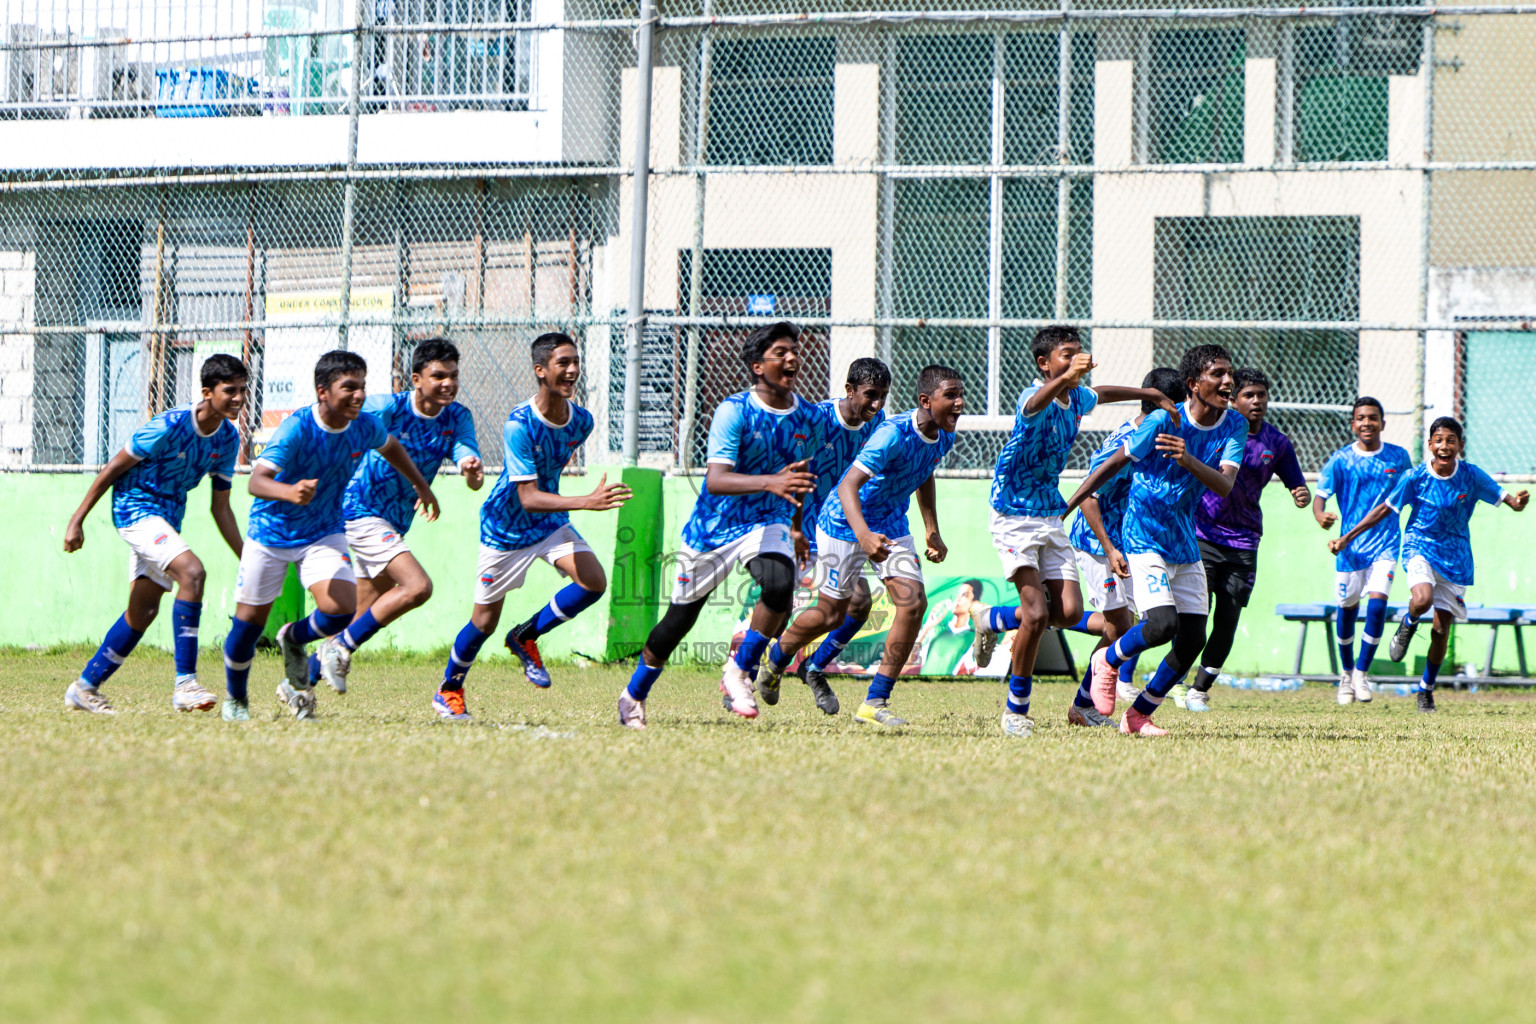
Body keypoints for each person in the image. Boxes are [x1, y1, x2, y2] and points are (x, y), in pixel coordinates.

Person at [617, 321, 822, 730]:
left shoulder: (808, 416)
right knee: (677, 623)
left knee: (780, 586)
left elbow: (798, 476)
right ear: (757, 365)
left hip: (768, 522)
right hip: (714, 528)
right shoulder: (734, 411)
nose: (792, 358)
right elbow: (716, 479)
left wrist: (797, 527)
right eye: (780, 351)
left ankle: (738, 670)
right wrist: (770, 481)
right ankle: (633, 694)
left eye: (794, 350)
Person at [983, 325, 1181, 739]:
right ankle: (1016, 710)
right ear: (1045, 363)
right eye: (1066, 354)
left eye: (1078, 352)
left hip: (1048, 512)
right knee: (1041, 615)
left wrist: (1150, 395)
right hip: (1012, 513)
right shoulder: (1033, 397)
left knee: (1069, 613)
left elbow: (1102, 393)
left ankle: (993, 619)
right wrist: (1065, 377)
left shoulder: (1077, 397)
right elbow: (1037, 401)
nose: (1077, 359)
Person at [220, 350, 441, 722]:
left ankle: (293, 638)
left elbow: (391, 448)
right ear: (323, 391)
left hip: (323, 531)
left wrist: (421, 487)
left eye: (362, 387)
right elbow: (256, 483)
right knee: (247, 626)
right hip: (272, 533)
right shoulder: (297, 428)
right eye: (349, 387)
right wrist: (289, 492)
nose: (359, 395)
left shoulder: (364, 425)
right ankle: (236, 699)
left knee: (340, 608)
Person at [757, 365, 962, 728]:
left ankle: (874, 701)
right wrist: (863, 535)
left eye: (961, 395)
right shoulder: (891, 434)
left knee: (913, 604)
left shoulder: (944, 435)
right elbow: (846, 486)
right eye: (952, 396)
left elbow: (924, 471)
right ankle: (778, 655)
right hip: (842, 522)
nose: (960, 403)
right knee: (833, 614)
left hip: (892, 525)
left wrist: (932, 528)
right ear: (926, 401)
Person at [436, 332, 629, 720]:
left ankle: (526, 636)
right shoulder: (518, 424)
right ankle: (449, 690)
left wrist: (570, 507)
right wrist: (586, 502)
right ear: (540, 371)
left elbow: (547, 482)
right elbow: (527, 495)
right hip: (506, 527)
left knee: (593, 581)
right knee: (483, 623)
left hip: (549, 521)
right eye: (563, 363)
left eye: (575, 362)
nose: (573, 370)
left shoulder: (582, 422)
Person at [1065, 343, 1246, 736]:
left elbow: (1225, 485)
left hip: (1183, 540)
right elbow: (1112, 464)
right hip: (1142, 536)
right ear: (1193, 384)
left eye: (1229, 373)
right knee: (1160, 624)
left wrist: (1187, 460)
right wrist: (1070, 504)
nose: (1228, 381)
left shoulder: (1234, 425)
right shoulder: (1163, 420)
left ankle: (1139, 715)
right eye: (1217, 374)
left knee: (1192, 638)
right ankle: (1106, 662)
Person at [60, 355, 250, 715]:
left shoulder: (227, 439)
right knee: (192, 572)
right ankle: (185, 685)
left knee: (142, 612)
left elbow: (220, 508)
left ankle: (85, 687)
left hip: (167, 520)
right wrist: (77, 519)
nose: (239, 398)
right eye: (230, 391)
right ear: (207, 392)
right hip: (135, 510)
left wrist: (247, 556)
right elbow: (113, 468)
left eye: (243, 390)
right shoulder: (168, 426)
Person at [308, 338, 483, 692]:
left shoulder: (458, 416)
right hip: (359, 509)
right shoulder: (389, 407)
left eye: (453, 375)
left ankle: (300, 681)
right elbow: (348, 424)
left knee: (359, 614)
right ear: (416, 379)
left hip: (395, 521)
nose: (448, 383)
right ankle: (340, 648)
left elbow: (466, 454)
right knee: (418, 587)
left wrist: (469, 466)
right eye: (438, 376)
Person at [1330, 416, 1528, 713]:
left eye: (1450, 440)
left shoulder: (1472, 476)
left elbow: (1508, 499)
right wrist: (1348, 536)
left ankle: (1426, 691)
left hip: (1456, 557)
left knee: (1440, 630)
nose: (1444, 446)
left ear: (1461, 445)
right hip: (1419, 547)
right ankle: (1408, 625)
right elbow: (1385, 508)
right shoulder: (1415, 477)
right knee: (1421, 599)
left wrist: (1518, 502)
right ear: (1430, 445)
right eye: (1438, 440)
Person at [755, 356, 890, 714]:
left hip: (836, 527)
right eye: (869, 396)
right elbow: (793, 470)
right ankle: (748, 670)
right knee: (778, 606)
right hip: (797, 523)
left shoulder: (879, 426)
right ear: (849, 390)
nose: (876, 406)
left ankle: (812, 667)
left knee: (858, 605)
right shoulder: (817, 420)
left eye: (882, 398)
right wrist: (794, 526)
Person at [1062, 367, 1187, 727]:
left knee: (1134, 623)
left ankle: (1051, 619)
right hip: (1097, 542)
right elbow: (1089, 495)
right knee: (1121, 627)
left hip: (1128, 541)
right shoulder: (1126, 442)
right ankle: (1082, 706)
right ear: (1159, 404)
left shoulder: (1154, 434)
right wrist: (1110, 546)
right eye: (1176, 407)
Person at [1179, 368, 1310, 711]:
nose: (1256, 401)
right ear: (1233, 399)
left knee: (1228, 617)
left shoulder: (1277, 443)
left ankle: (1199, 690)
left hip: (1244, 540)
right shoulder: (1217, 431)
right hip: (1202, 533)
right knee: (1195, 613)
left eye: (1261, 395)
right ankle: (1176, 680)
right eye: (1249, 395)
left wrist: (1301, 493)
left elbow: (1296, 481)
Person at [1313, 397, 1413, 705]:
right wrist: (1321, 516)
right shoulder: (1341, 460)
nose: (1366, 423)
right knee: (1347, 609)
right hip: (1350, 552)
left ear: (1383, 423)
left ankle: (1362, 673)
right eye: (1360, 418)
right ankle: (1346, 674)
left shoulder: (1399, 457)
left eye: (1372, 417)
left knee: (1378, 604)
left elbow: (1403, 499)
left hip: (1384, 545)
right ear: (1353, 424)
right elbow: (1320, 496)